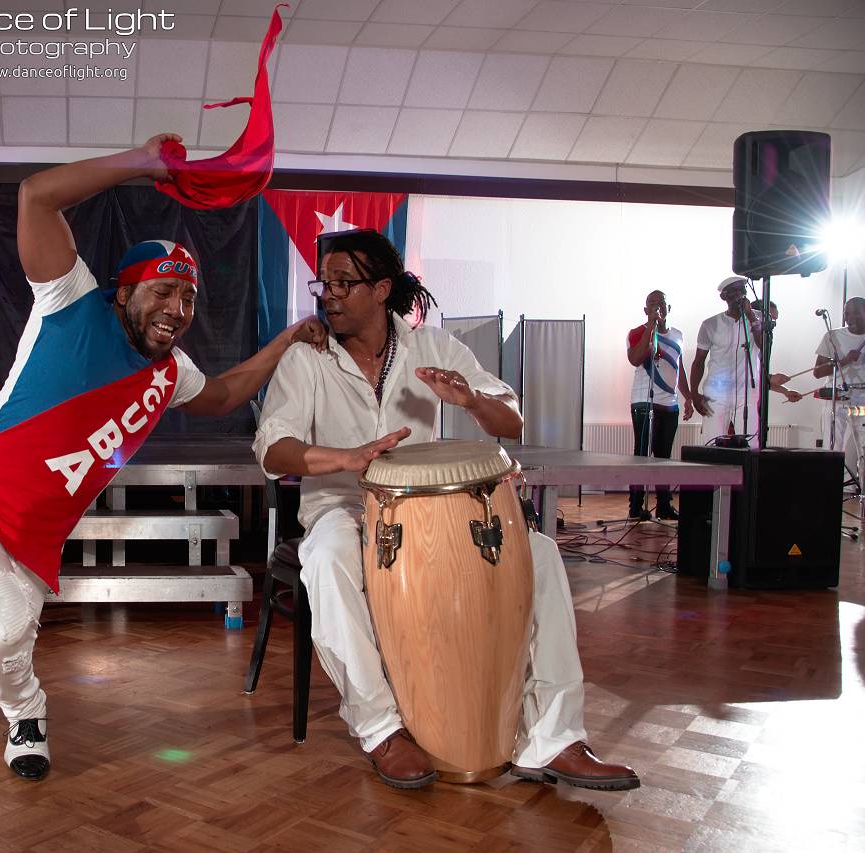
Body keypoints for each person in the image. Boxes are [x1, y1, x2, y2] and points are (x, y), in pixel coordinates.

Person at [0, 133, 326, 782]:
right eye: (163, 290)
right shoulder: (70, 301)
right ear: (124, 292)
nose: (177, 309)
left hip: (29, 546)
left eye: (188, 298)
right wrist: (142, 162)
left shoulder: (171, 372)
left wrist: (286, 340)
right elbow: (36, 196)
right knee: (4, 624)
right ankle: (29, 714)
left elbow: (222, 395)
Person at [253, 228, 639, 792]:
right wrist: (348, 458)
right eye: (324, 284)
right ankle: (382, 730)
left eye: (343, 283)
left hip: (432, 516)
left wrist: (472, 400)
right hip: (344, 508)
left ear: (381, 288)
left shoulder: (433, 347)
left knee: (540, 553)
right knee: (330, 559)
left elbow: (513, 420)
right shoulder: (305, 359)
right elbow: (273, 449)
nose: (328, 295)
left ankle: (554, 738)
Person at [626, 290, 693, 521]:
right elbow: (635, 359)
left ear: (668, 308)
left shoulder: (678, 335)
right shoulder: (637, 332)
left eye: (661, 303)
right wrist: (650, 328)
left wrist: (688, 397)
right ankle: (636, 506)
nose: (657, 307)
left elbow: (679, 368)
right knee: (641, 455)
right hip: (644, 400)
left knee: (664, 457)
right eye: (652, 304)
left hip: (670, 403)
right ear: (646, 310)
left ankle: (664, 505)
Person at [689, 276, 764, 447]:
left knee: (752, 445)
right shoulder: (710, 324)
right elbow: (699, 361)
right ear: (724, 297)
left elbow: (764, 347)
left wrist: (751, 316)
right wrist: (694, 394)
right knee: (713, 444)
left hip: (747, 393)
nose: (739, 294)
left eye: (742, 290)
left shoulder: (758, 318)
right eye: (733, 291)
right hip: (716, 394)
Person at [812, 297, 865, 484]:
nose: (850, 318)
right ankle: (830, 490)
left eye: (856, 312)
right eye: (846, 313)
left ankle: (859, 493)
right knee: (833, 448)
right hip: (837, 399)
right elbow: (817, 372)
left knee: (863, 448)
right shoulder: (832, 336)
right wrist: (845, 361)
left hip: (861, 402)